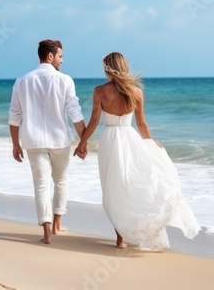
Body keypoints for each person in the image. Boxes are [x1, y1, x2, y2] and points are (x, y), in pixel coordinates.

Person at [73, 52, 200, 250]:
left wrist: (82, 143)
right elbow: (141, 123)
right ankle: (131, 230)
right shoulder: (136, 92)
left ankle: (120, 238)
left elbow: (95, 121)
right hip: (130, 138)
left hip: (110, 141)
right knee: (130, 185)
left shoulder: (100, 91)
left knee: (113, 188)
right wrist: (150, 143)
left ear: (108, 68)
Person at [9, 39, 86, 244]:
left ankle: (46, 232)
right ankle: (58, 225)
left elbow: (14, 116)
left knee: (41, 185)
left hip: (32, 141)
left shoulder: (22, 81)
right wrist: (83, 140)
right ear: (50, 56)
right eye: (60, 56)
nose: (62, 60)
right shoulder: (65, 80)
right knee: (60, 180)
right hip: (60, 140)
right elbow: (75, 114)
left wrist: (15, 144)